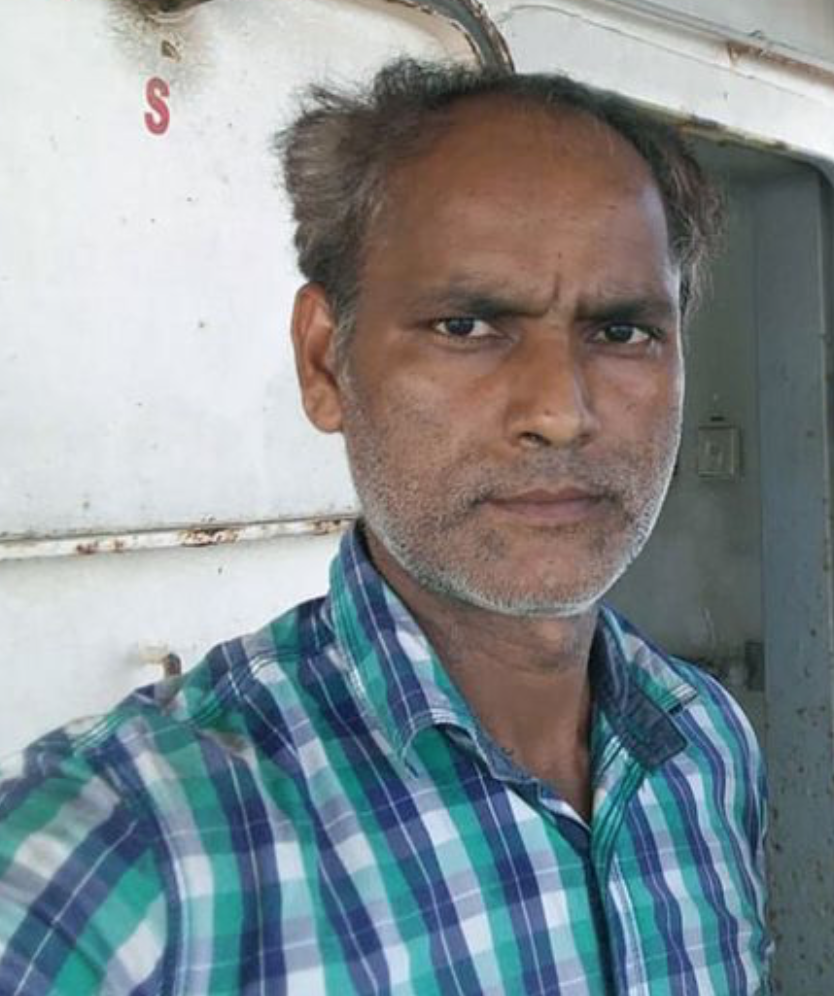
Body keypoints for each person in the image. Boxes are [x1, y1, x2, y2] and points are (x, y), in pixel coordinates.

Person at [0, 60, 770, 994]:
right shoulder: (117, 855)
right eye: (467, 325)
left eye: (621, 332)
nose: (560, 412)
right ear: (326, 363)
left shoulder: (703, 747)